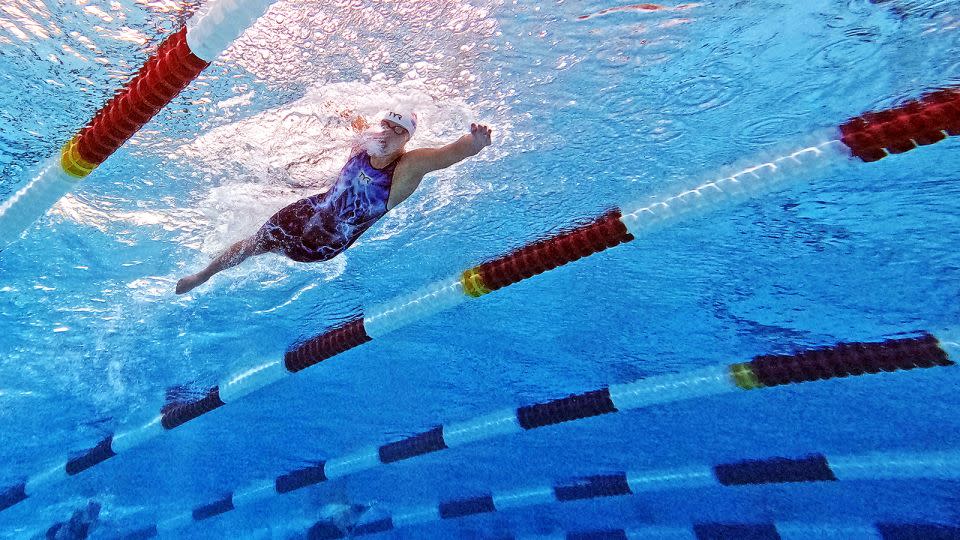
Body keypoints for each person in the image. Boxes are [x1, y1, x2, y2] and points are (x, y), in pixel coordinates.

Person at [175, 109, 493, 294]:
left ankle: (265, 257)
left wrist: (472, 145)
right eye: (387, 125)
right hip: (309, 209)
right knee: (254, 242)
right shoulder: (367, 141)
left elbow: (445, 155)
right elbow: (353, 122)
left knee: (284, 248)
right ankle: (202, 276)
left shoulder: (407, 168)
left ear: (406, 140)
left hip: (325, 242)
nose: (389, 133)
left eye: (399, 131)